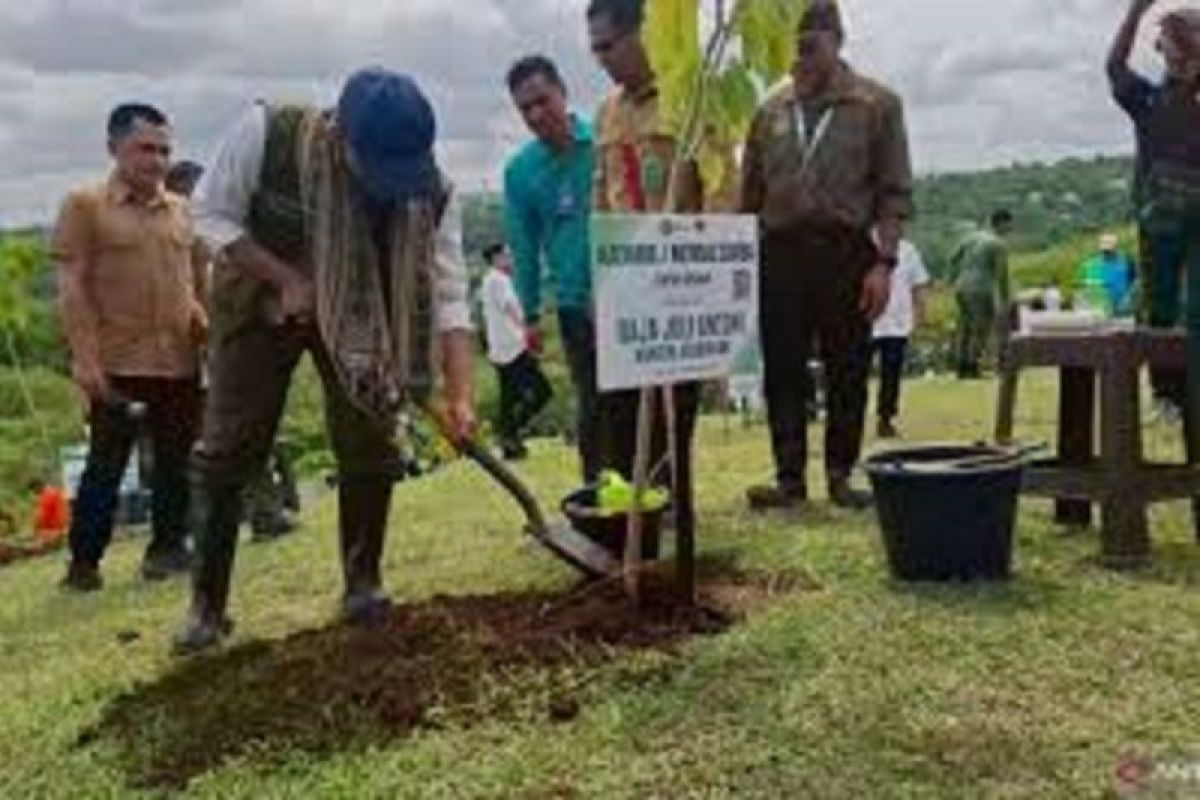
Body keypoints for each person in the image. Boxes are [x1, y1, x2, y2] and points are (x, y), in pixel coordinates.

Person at [175, 68, 475, 653]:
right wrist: (285, 279)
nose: (390, 189)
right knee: (230, 445)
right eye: (377, 171)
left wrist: (460, 395)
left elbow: (449, 290)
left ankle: (363, 584)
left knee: (369, 431)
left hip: (363, 316)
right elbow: (209, 217)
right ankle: (206, 609)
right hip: (259, 300)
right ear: (341, 138)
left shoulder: (431, 189)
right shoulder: (268, 132)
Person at [741, 0, 913, 511]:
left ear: (837, 39)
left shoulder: (877, 104)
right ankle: (789, 478)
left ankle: (841, 474)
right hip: (780, 251)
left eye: (810, 48)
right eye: (791, 53)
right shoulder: (769, 108)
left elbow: (894, 193)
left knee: (848, 365)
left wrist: (883, 265)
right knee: (783, 367)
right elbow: (748, 195)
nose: (801, 63)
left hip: (846, 252)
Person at [53, 104, 208, 592]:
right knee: (106, 466)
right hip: (118, 360)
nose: (157, 160)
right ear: (114, 148)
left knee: (175, 463)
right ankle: (84, 564)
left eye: (165, 150)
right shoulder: (85, 205)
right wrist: (84, 358)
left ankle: (166, 550)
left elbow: (196, 279)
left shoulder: (183, 211)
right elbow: (72, 285)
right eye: (146, 148)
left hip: (179, 359)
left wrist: (204, 320)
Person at [587, 0, 708, 532]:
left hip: (680, 274)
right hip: (625, 279)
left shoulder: (694, 97)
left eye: (608, 46)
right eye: (594, 49)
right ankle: (633, 502)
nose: (601, 59)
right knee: (622, 402)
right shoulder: (607, 112)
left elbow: (720, 190)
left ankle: (674, 500)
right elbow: (600, 193)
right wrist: (601, 277)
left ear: (642, 35)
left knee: (675, 402)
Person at [166, 159, 299, 541]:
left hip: (227, 355)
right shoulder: (181, 247)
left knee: (250, 435)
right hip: (196, 361)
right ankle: (211, 522)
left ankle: (265, 511)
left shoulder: (225, 242)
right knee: (212, 444)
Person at [502, 55, 599, 480]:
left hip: (627, 294)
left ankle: (655, 492)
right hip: (575, 303)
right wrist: (530, 314)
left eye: (543, 101)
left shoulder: (604, 141)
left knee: (637, 400)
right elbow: (523, 248)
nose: (536, 114)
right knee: (592, 401)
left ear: (563, 92)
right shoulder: (520, 172)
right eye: (525, 108)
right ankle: (600, 493)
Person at [1108, 1, 1200, 426]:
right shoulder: (1149, 99)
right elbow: (1115, 68)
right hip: (1159, 222)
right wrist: (1134, 13)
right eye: (1173, 41)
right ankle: (1168, 396)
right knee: (1160, 308)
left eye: (1188, 40)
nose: (1179, 51)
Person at [480, 243, 552, 459]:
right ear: (496, 258)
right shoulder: (499, 280)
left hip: (499, 347)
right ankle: (510, 433)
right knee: (542, 392)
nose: (511, 259)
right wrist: (529, 331)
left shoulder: (488, 280)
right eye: (507, 256)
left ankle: (509, 443)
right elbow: (512, 309)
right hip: (513, 346)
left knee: (508, 398)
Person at [871, 239, 931, 439]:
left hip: (897, 323)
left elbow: (918, 284)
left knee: (891, 375)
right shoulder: (861, 244)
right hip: (866, 322)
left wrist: (919, 315)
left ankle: (885, 419)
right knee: (854, 374)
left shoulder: (908, 249)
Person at [951, 209, 1014, 380]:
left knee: (964, 327)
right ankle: (972, 367)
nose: (1010, 230)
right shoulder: (997, 244)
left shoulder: (971, 238)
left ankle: (960, 366)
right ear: (1001, 224)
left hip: (961, 287)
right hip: (981, 288)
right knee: (981, 328)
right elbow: (1002, 275)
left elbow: (953, 258)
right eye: (1008, 226)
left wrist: (954, 279)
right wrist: (1006, 300)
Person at [1077, 233, 1137, 317]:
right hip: (1097, 310)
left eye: (1109, 251)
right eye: (1104, 251)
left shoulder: (1126, 263)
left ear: (1116, 248)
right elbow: (1081, 287)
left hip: (1121, 310)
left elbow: (1134, 282)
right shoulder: (1090, 265)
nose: (1106, 253)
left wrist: (1128, 298)